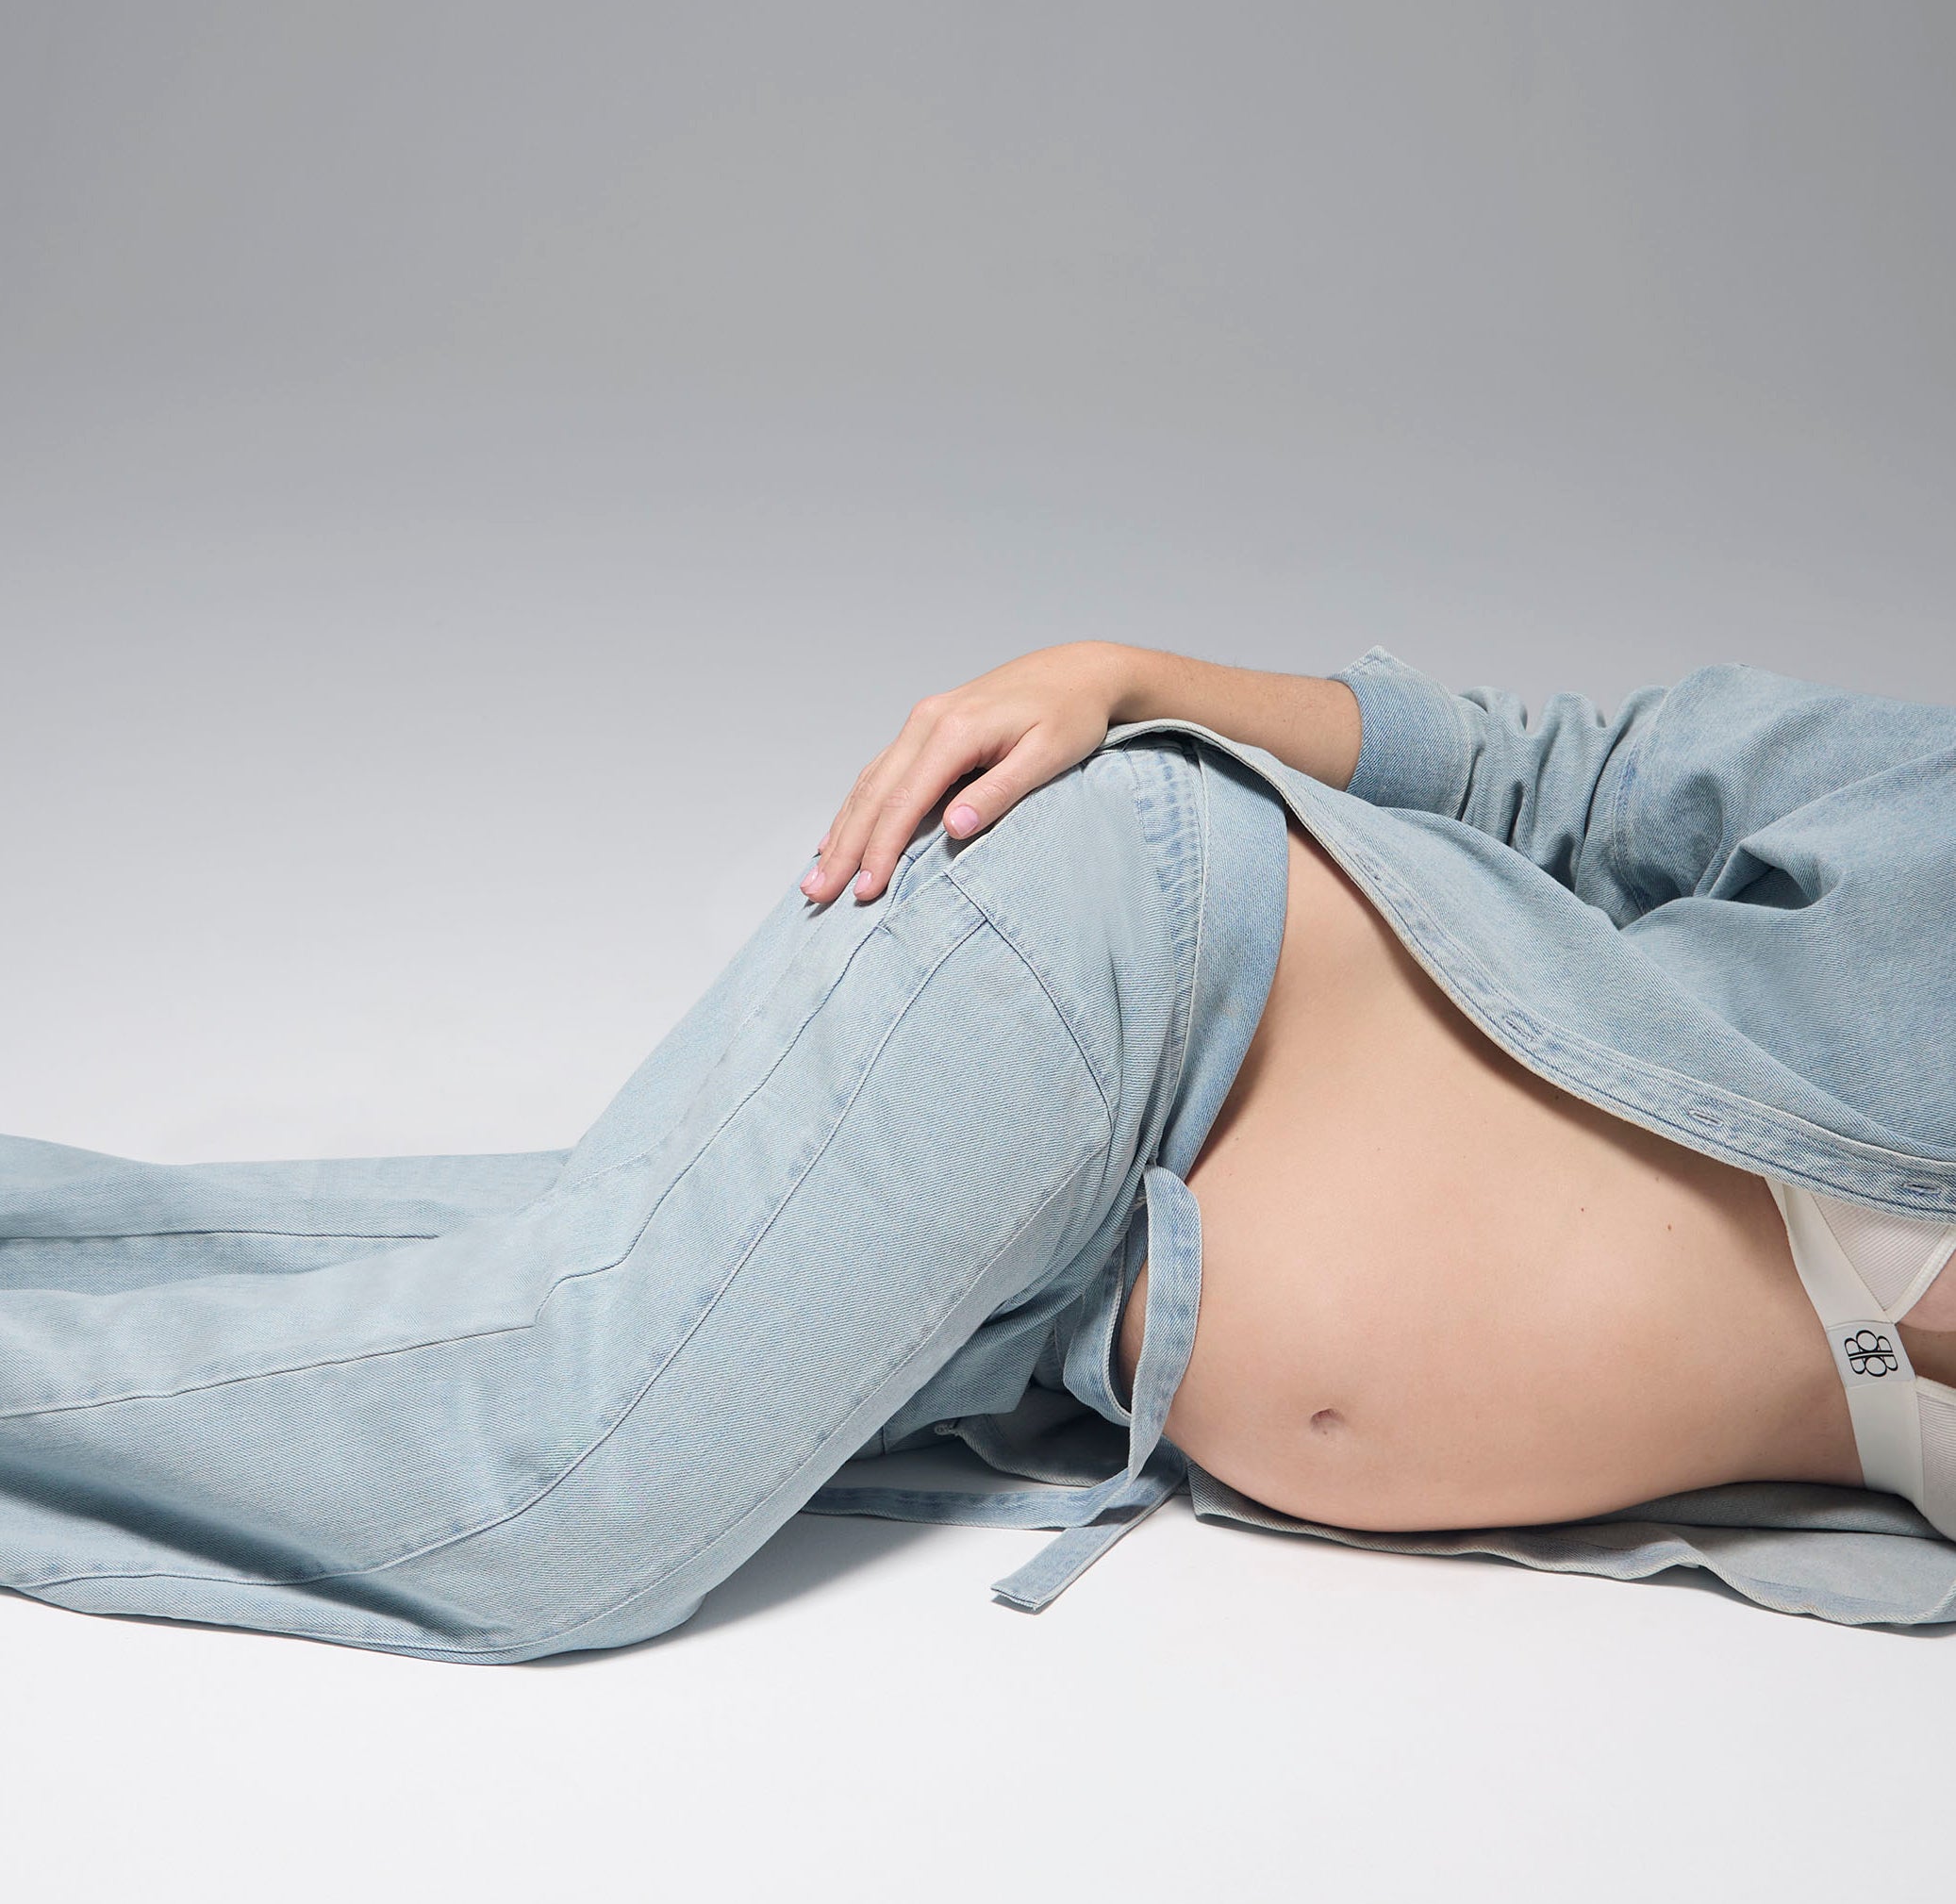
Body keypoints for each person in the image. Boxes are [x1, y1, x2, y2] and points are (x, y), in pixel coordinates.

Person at [2, 638, 1952, 1661]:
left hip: (1099, 1288)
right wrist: (1131, 673)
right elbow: (1560, 770)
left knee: (501, 1284)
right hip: (1152, 978)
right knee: (554, 1483)